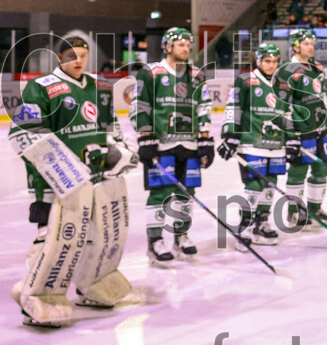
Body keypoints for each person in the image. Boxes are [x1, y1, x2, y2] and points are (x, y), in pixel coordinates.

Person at [8, 37, 137, 326]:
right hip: (52, 183)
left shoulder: (99, 85)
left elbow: (109, 127)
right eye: (71, 55)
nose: (77, 60)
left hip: (93, 179)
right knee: (52, 239)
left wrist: (118, 150)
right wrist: (62, 166)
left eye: (82, 55)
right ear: (59, 57)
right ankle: (36, 294)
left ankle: (93, 284)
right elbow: (24, 132)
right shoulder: (40, 87)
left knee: (98, 236)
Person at [131, 27, 214, 264]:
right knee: (160, 193)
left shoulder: (197, 75)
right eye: (180, 45)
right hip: (161, 144)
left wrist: (206, 140)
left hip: (189, 143)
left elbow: (204, 107)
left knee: (186, 193)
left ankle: (181, 235)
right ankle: (155, 240)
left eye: (188, 45)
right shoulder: (151, 73)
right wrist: (146, 137)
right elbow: (140, 105)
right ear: (168, 47)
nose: (186, 49)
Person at [218, 43, 285, 248]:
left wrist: (292, 138)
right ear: (258, 61)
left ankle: (261, 222)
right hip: (251, 143)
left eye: (274, 61)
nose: (271, 65)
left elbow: (287, 113)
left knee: (270, 183)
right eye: (267, 61)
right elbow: (234, 107)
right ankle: (244, 225)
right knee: (254, 184)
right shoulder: (246, 81)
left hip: (276, 144)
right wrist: (230, 134)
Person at [276, 29, 327, 228]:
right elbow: (281, 105)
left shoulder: (317, 67)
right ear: (295, 46)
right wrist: (290, 133)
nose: (310, 46)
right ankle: (294, 213)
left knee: (322, 168)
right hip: (301, 129)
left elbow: (323, 97)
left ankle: (314, 208)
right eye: (306, 43)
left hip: (320, 128)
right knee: (298, 171)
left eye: (312, 43)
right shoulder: (287, 70)